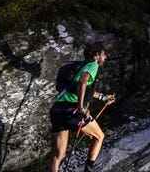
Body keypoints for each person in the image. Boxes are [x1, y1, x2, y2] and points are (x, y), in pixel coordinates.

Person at [49, 42, 116, 172]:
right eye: (103, 54)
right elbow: (82, 82)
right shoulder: (92, 65)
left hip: (58, 110)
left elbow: (83, 89)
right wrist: (80, 107)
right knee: (99, 137)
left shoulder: (80, 66)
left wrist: (103, 98)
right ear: (97, 55)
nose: (105, 57)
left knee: (59, 155)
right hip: (72, 110)